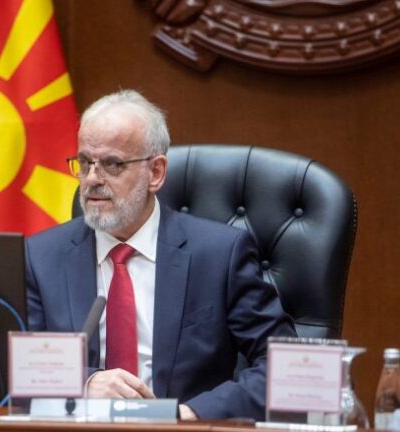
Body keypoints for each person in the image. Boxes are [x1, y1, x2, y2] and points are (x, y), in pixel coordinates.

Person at [24, 89, 296, 420]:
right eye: (84, 163)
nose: (92, 179)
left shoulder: (220, 255)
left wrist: (190, 414)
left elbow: (285, 367)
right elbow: (20, 369)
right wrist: (85, 384)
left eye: (112, 164)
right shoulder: (42, 257)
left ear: (155, 172)